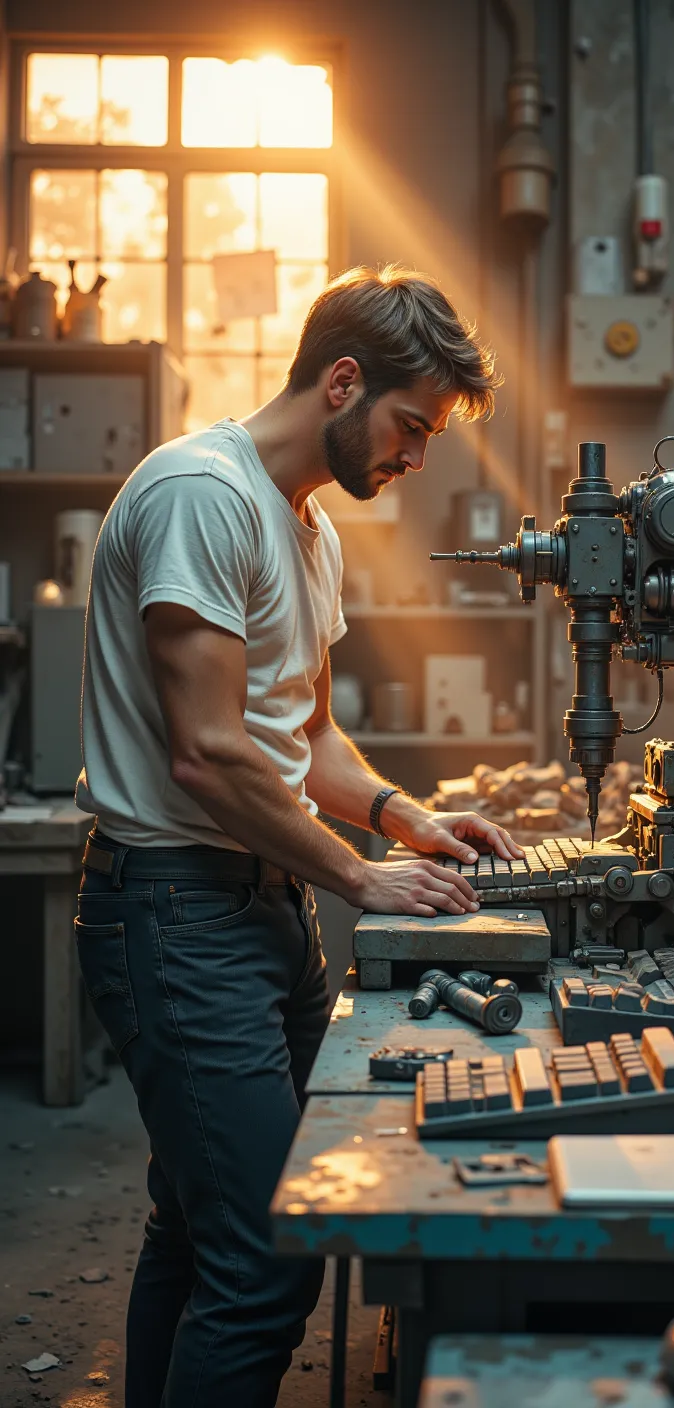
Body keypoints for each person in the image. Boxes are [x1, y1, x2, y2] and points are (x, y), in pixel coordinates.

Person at [75, 264, 522, 1407]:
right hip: (174, 909)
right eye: (411, 426)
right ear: (339, 381)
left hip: (261, 905)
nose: (416, 458)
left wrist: (403, 818)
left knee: (196, 1224)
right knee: (269, 1258)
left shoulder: (307, 531)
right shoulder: (199, 494)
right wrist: (359, 878)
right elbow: (209, 752)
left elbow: (302, 735)